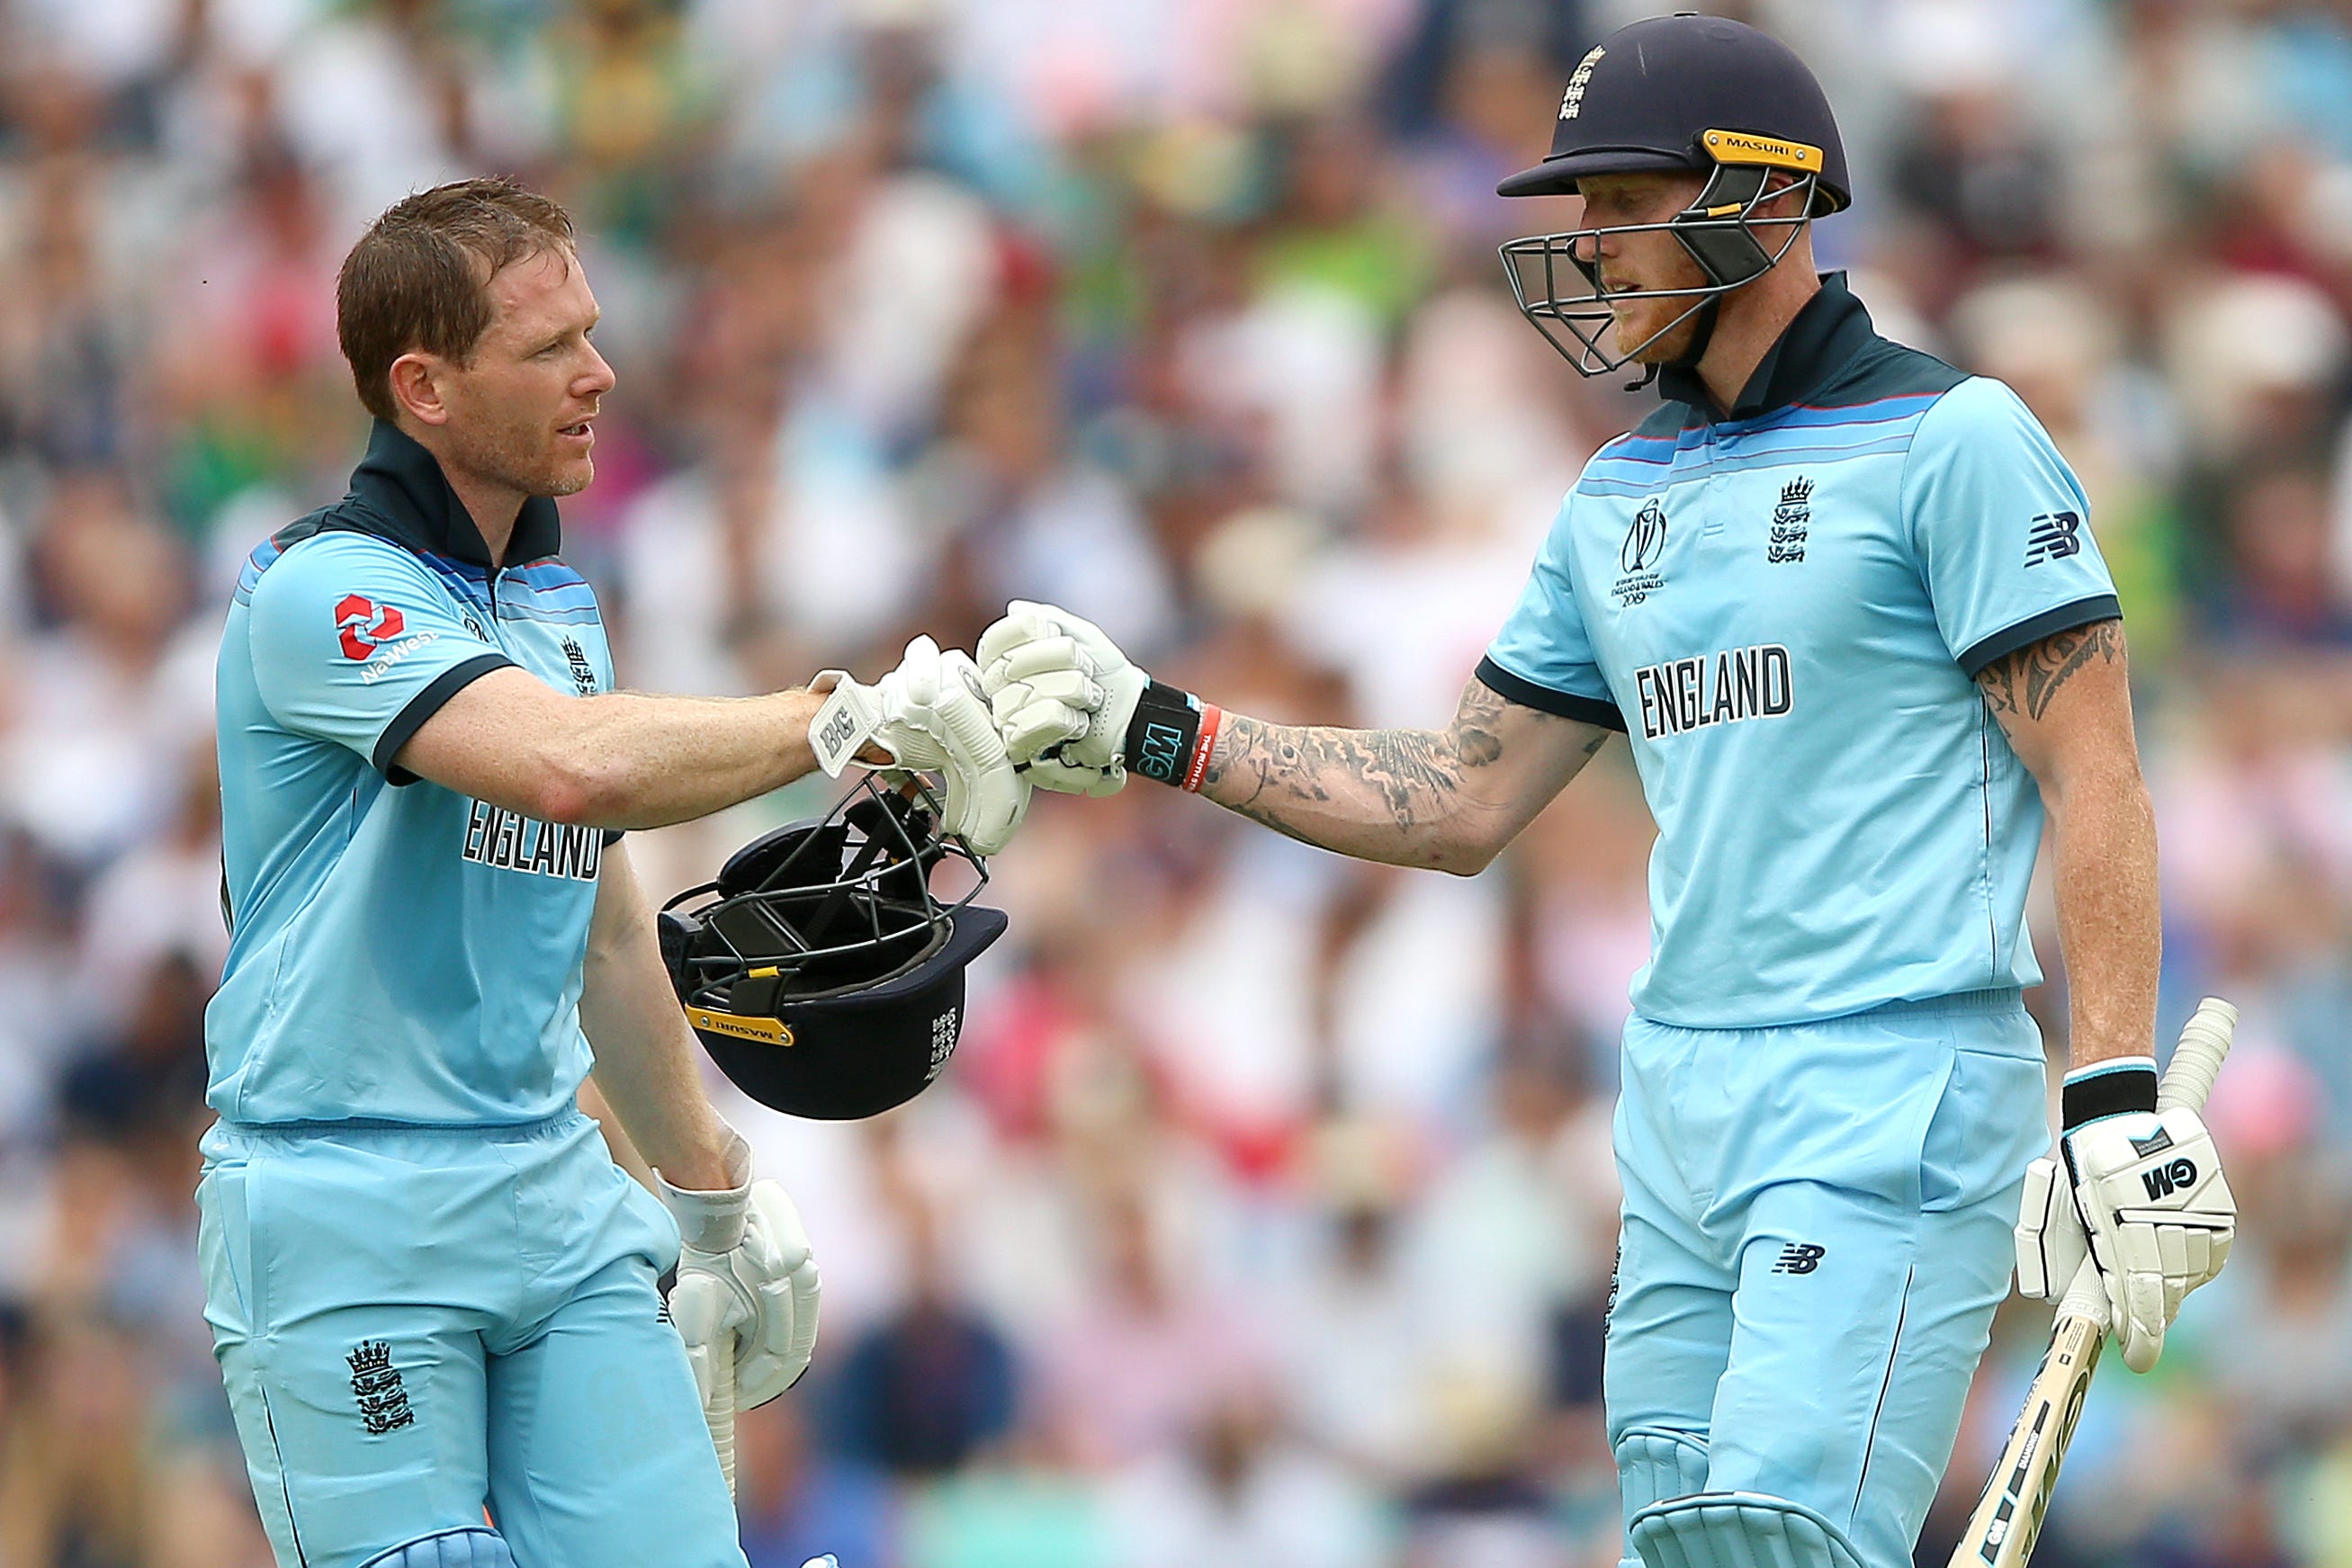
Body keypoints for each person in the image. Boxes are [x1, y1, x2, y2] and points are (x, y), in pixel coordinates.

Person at [976, 16, 2238, 1568]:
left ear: (1764, 205)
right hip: (1678, 1107)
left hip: (1886, 1089)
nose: (1588, 249)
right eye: (1579, 213)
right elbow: (1458, 793)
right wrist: (1164, 730)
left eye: (1624, 202)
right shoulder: (1613, 496)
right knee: (1676, 1547)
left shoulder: (1952, 442)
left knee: (1774, 1543)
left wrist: (2105, 1096)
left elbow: (2093, 771)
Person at [200, 177, 1021, 1568]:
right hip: (341, 1215)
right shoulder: (315, 593)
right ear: (426, 388)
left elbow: (595, 935)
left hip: (551, 1189)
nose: (601, 372)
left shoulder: (555, 608)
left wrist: (712, 1196)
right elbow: (565, 770)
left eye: (591, 330)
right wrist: (850, 715)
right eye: (548, 349)